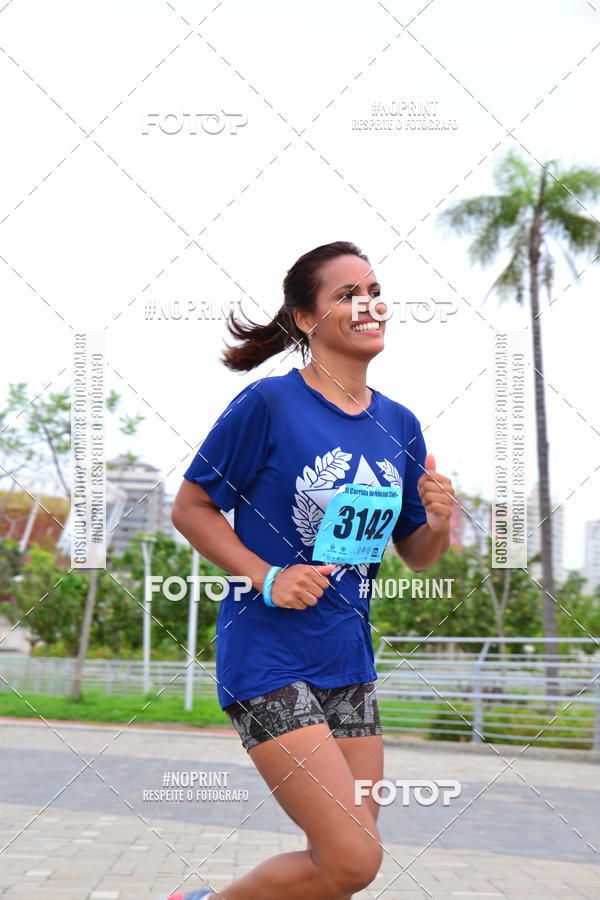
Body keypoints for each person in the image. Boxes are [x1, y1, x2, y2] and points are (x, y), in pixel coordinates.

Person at [164, 241, 456, 900]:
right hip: (268, 657)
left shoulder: (399, 424)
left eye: (374, 289)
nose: (367, 303)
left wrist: (437, 523)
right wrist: (268, 576)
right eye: (346, 294)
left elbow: (415, 552)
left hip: (349, 660)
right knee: (353, 859)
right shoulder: (269, 404)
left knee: (341, 867)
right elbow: (191, 507)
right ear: (305, 320)